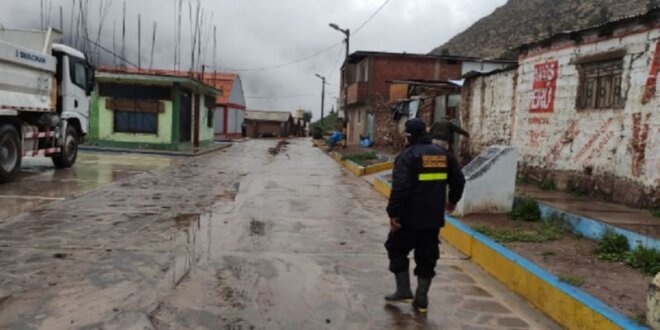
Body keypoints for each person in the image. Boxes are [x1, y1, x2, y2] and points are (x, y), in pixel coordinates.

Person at [384, 118, 466, 313]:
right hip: (432, 219)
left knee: (395, 248)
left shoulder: (407, 156)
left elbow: (400, 189)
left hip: (408, 218)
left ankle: (404, 290)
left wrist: (393, 214)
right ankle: (421, 299)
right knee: (427, 257)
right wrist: (453, 201)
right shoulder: (444, 155)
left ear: (409, 136)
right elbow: (459, 180)